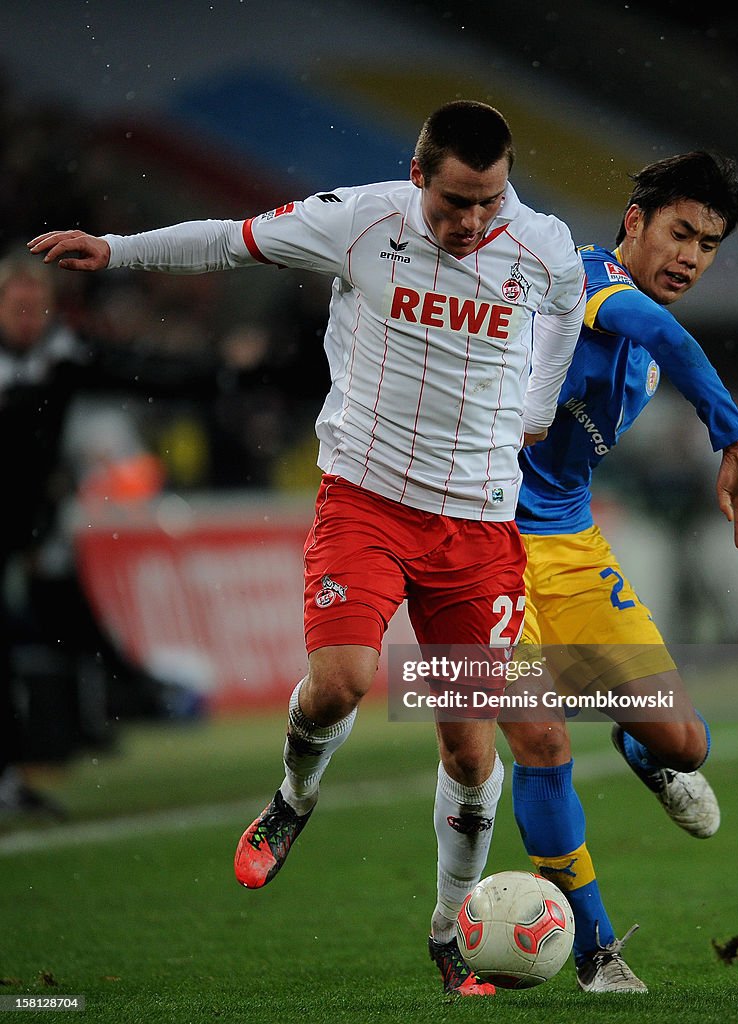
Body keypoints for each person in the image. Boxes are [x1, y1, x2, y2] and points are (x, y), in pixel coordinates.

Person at [28, 100, 588, 997]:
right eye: (454, 203)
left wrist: (535, 408)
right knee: (341, 682)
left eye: (489, 202)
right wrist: (118, 250)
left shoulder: (545, 244)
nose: (473, 223)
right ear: (418, 176)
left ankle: (451, 928)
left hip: (478, 528)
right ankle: (294, 796)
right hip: (364, 500)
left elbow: (567, 312)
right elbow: (231, 239)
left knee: (471, 755)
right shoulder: (360, 220)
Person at [497, 151, 738, 993]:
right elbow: (661, 335)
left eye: (710, 243)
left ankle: (638, 744)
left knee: (686, 744)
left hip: (573, 549)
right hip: (481, 550)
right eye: (680, 232)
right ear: (634, 224)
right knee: (538, 737)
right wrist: (734, 434)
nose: (692, 255)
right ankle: (595, 950)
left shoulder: (647, 324)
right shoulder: (584, 280)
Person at [0, 253, 254, 817]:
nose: (27, 317)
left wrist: (216, 368)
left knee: (69, 630)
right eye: (16, 306)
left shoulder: (59, 357)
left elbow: (142, 371)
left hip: (28, 528)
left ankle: (74, 733)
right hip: (26, 527)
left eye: (34, 306)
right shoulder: (48, 364)